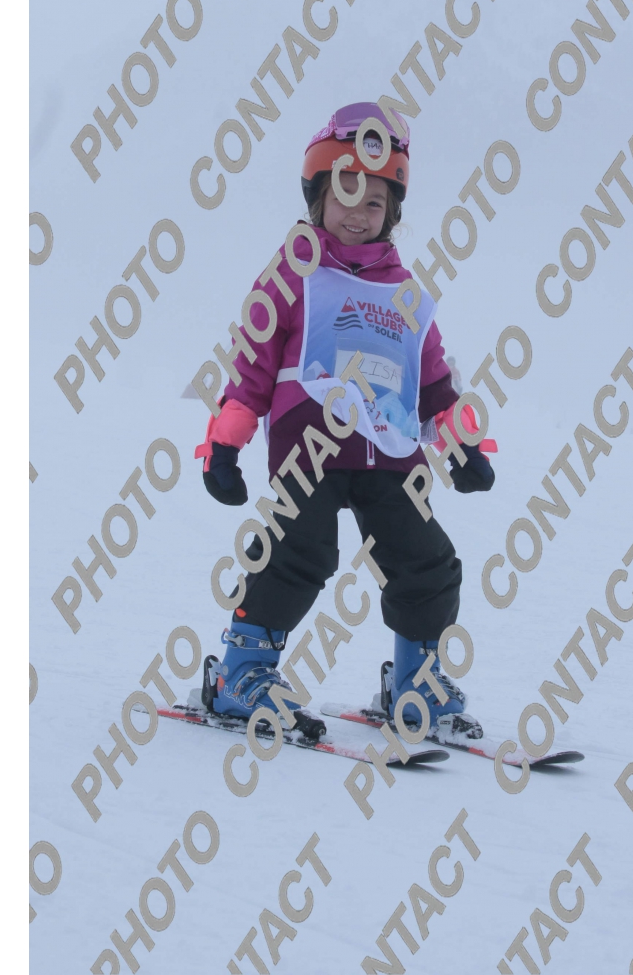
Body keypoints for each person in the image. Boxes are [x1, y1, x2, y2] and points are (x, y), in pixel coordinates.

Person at [194, 103, 496, 742]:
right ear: (319, 198)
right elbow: (253, 364)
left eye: (375, 201)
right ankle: (240, 673)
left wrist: (462, 444)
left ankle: (415, 682)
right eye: (346, 193)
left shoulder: (404, 292)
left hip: (390, 453)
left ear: (392, 212)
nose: (358, 212)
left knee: (426, 559)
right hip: (310, 446)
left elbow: (432, 381)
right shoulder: (293, 272)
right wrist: (226, 444)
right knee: (297, 550)